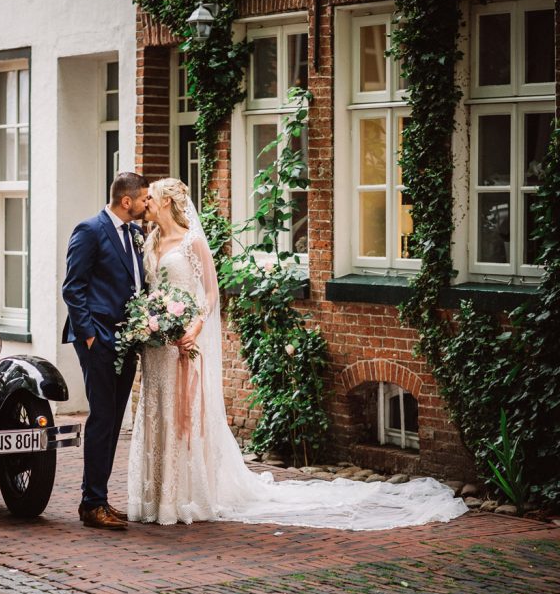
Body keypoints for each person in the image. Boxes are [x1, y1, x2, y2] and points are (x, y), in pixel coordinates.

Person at [127, 178, 469, 529]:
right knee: (157, 410)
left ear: (166, 202)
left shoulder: (193, 242)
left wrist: (194, 327)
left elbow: (211, 293)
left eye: (150, 197)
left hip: (184, 341)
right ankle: (156, 497)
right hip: (158, 345)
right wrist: (147, 322)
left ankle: (184, 497)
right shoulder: (148, 240)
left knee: (184, 413)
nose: (145, 202)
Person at [62, 171, 149, 530]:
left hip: (126, 339)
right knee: (101, 418)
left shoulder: (134, 233)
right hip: (98, 338)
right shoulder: (90, 230)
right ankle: (92, 503)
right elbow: (73, 288)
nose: (146, 204)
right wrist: (89, 337)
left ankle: (98, 499)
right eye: (143, 198)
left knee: (113, 420)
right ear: (126, 200)